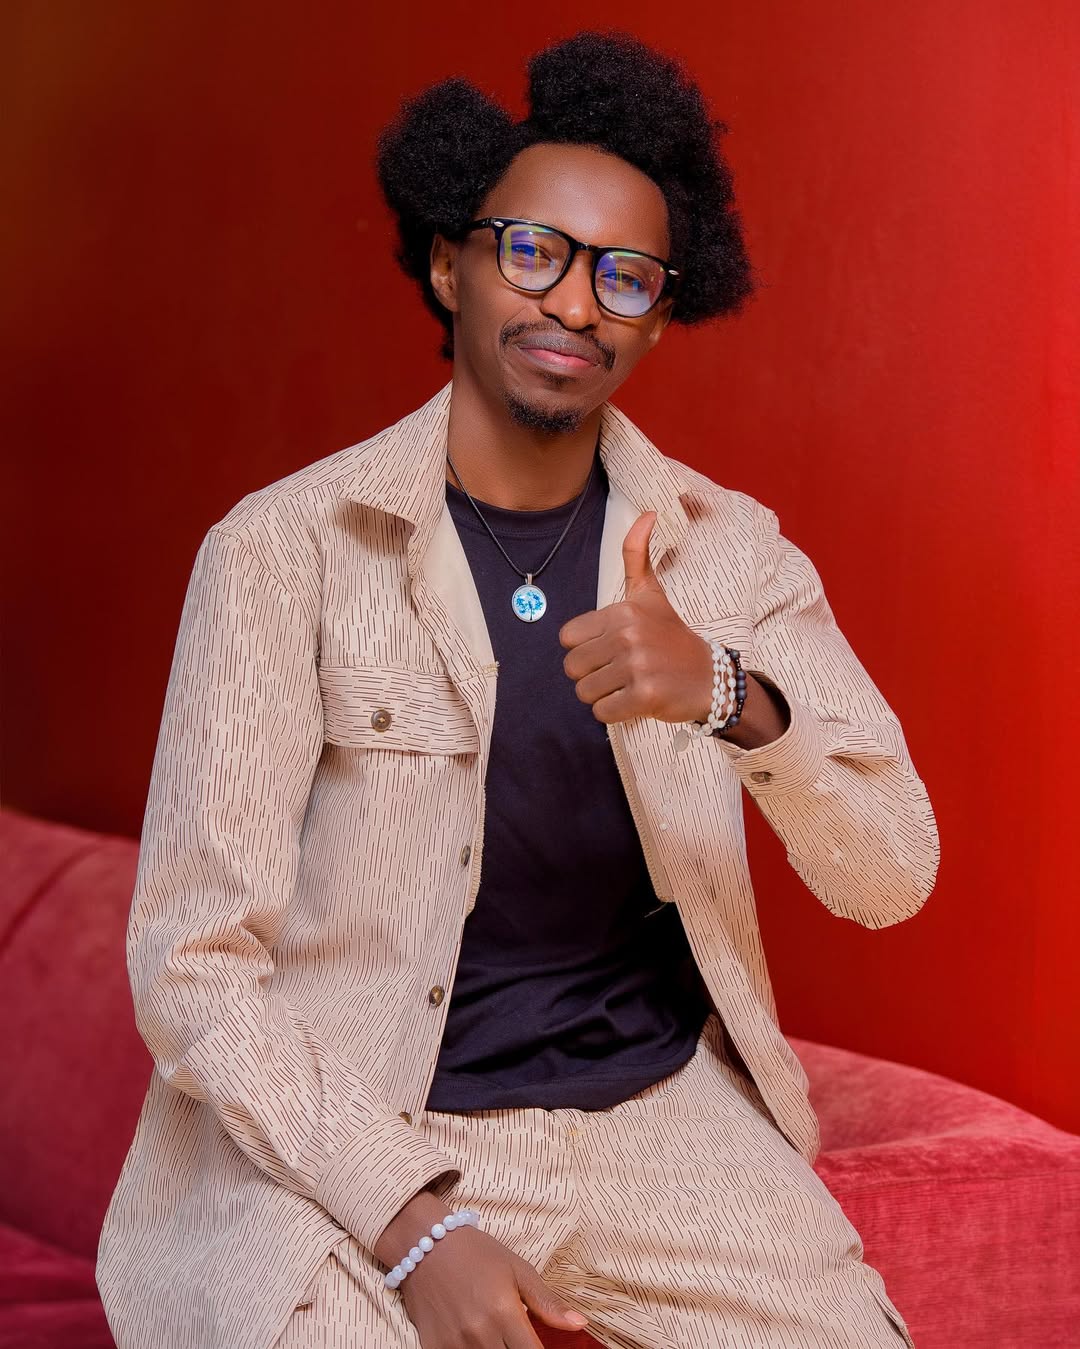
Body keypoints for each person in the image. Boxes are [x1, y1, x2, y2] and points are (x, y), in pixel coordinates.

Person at [96, 29, 938, 1349]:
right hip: (365, 1119)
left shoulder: (727, 554)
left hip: (656, 1120)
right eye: (534, 252)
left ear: (659, 314)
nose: (577, 304)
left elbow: (891, 871)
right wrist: (413, 1219)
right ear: (451, 264)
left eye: (624, 276)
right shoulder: (285, 551)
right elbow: (192, 963)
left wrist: (728, 694)